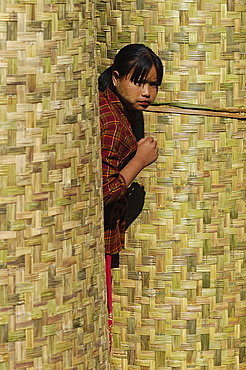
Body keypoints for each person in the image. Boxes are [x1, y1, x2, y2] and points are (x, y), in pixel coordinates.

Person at [99, 43, 163, 348]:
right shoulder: (112, 124)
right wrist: (138, 162)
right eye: (138, 82)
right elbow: (100, 191)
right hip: (98, 242)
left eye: (153, 84)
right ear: (115, 77)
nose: (147, 92)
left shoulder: (119, 111)